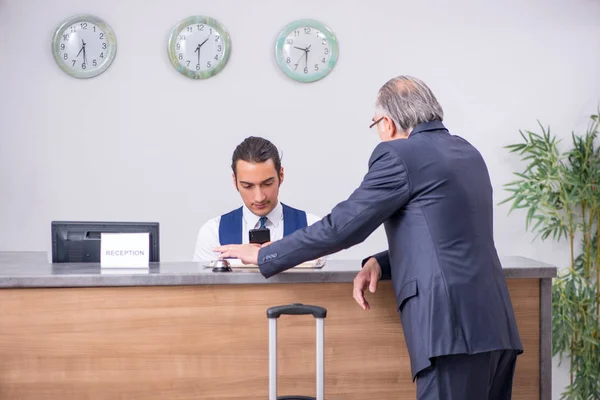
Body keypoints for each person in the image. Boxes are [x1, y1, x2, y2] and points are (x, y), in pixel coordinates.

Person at [215, 76, 524, 399]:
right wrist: (381, 261)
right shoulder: (466, 152)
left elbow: (343, 226)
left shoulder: (399, 155)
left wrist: (265, 255)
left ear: (388, 123)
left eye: (375, 124)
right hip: (495, 328)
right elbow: (449, 238)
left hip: (449, 331)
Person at [193, 136, 322, 263]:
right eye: (247, 186)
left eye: (267, 184)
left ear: (281, 175)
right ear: (235, 181)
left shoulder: (313, 228)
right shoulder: (213, 233)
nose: (259, 197)